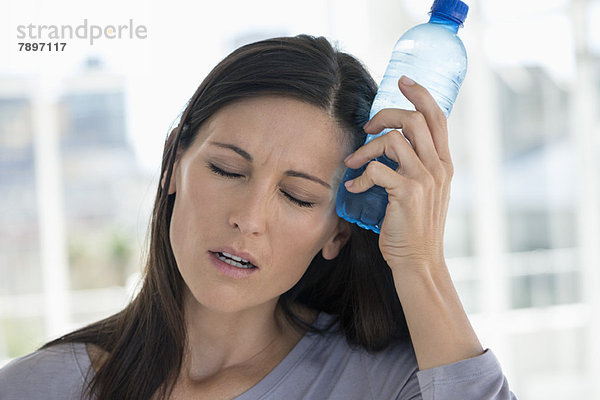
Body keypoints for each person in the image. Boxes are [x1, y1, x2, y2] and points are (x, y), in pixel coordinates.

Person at [0, 34, 517, 399]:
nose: (249, 218)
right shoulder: (35, 387)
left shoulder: (391, 385)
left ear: (337, 230)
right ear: (173, 166)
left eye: (297, 196)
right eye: (227, 170)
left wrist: (419, 260)